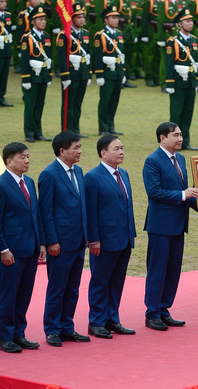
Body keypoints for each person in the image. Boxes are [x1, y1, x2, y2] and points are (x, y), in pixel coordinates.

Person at [0, 142, 45, 353]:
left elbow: (35, 215)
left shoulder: (29, 182)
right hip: (11, 251)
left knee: (24, 294)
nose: (27, 160)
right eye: (22, 157)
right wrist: (3, 249)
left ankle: (19, 334)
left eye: (28, 156)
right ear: (9, 161)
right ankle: (5, 337)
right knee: (8, 295)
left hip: (30, 248)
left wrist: (41, 243)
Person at [142, 122, 198, 331]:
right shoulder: (152, 161)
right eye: (175, 135)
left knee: (173, 270)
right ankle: (152, 313)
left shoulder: (181, 158)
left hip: (178, 224)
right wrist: (184, 195)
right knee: (157, 270)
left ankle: (164, 310)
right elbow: (154, 192)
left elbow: (184, 189)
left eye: (181, 134)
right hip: (160, 226)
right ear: (162, 138)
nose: (180, 138)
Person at [38, 131, 90, 347]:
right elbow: (45, 211)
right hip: (60, 242)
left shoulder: (78, 171)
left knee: (73, 287)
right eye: (75, 148)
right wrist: (51, 241)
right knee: (57, 286)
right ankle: (52, 329)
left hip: (78, 240)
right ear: (62, 151)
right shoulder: (49, 174)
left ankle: (67, 327)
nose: (79, 151)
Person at [84, 134, 137, 339]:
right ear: (103, 153)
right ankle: (96, 322)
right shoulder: (92, 177)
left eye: (122, 148)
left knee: (117, 281)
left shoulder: (123, 173)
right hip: (103, 241)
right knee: (100, 281)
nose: (121, 152)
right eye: (116, 149)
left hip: (124, 238)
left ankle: (112, 319)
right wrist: (93, 239)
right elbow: (90, 212)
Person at [165, 9, 198, 151]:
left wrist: (196, 81)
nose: (190, 23)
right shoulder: (172, 42)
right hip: (178, 83)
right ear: (180, 24)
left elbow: (195, 63)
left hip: (190, 82)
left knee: (187, 113)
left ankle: (185, 142)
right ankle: (173, 143)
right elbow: (169, 63)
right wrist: (169, 83)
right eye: (187, 21)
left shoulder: (194, 40)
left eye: (191, 21)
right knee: (176, 114)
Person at [56, 1, 91, 137]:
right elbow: (62, 58)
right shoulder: (64, 35)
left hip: (82, 74)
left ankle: (75, 129)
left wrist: (88, 74)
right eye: (78, 17)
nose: (81, 19)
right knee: (68, 105)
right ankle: (67, 130)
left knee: (77, 104)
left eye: (83, 17)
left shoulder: (85, 34)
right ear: (72, 18)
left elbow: (87, 56)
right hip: (71, 75)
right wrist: (65, 76)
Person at [93, 3, 126, 136]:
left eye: (117, 17)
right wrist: (99, 74)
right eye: (112, 18)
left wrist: (123, 72)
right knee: (105, 101)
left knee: (114, 100)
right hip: (106, 74)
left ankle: (111, 125)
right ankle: (103, 127)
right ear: (106, 20)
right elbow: (98, 56)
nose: (116, 20)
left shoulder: (119, 34)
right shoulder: (100, 35)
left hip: (117, 73)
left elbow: (121, 55)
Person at [20, 5, 52, 142]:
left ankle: (38, 131)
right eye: (40, 20)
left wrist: (49, 76)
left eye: (44, 19)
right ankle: (29, 132)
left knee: (39, 105)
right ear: (33, 21)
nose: (43, 22)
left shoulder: (47, 37)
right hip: (32, 78)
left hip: (43, 76)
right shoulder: (28, 38)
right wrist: (25, 79)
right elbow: (24, 60)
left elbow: (49, 58)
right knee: (30, 106)